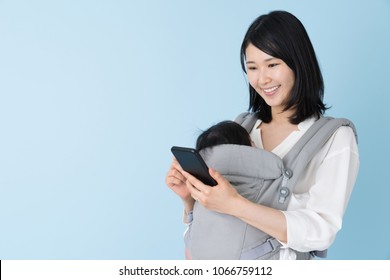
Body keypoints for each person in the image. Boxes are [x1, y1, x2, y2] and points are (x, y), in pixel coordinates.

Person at [165, 10, 359, 260]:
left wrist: (236, 205)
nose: (262, 78)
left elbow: (320, 231)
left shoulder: (335, 138)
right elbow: (215, 230)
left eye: (273, 65)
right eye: (253, 68)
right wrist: (190, 199)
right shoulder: (241, 127)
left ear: (298, 62)